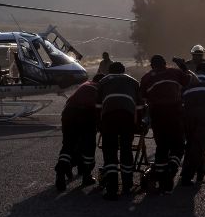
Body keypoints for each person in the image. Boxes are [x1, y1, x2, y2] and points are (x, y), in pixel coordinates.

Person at [139, 54, 194, 193]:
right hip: (175, 113)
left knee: (162, 146)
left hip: (157, 116)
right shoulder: (174, 72)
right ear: (165, 63)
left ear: (151, 65)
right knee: (178, 146)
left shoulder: (146, 78)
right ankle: (171, 169)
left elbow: (142, 99)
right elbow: (192, 80)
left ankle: (160, 175)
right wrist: (183, 66)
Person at [96, 62, 143, 200]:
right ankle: (127, 185)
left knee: (110, 151)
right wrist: (138, 124)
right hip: (127, 118)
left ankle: (112, 188)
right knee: (126, 149)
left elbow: (98, 106)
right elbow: (140, 107)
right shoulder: (133, 82)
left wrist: (99, 124)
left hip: (109, 118)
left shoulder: (103, 81)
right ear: (123, 71)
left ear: (109, 71)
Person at [54, 74, 103, 191]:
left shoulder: (84, 85)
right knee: (88, 145)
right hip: (87, 114)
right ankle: (86, 175)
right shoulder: (100, 89)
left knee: (68, 144)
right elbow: (100, 108)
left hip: (68, 113)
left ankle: (61, 170)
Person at [180, 62, 205, 186]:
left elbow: (181, 96)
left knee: (191, 142)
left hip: (188, 112)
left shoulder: (189, 79)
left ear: (196, 70)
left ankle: (201, 170)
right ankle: (187, 177)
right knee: (199, 144)